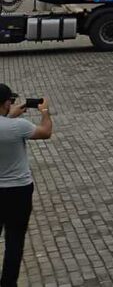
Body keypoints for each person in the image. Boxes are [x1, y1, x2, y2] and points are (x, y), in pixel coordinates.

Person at [0, 85, 51, 287]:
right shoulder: (18, 126)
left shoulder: (11, 123)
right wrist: (45, 111)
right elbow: (45, 132)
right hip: (18, 191)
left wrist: (8, 116)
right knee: (14, 239)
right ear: (6, 103)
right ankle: (8, 283)